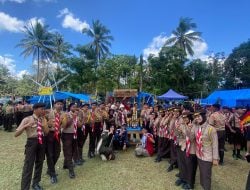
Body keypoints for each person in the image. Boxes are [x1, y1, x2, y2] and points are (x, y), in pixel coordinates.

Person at [15, 103, 49, 190]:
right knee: (28, 165)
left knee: (39, 162)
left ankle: (36, 183)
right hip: (32, 143)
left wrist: (45, 125)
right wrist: (26, 125)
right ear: (35, 109)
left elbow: (46, 133)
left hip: (41, 141)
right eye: (41, 109)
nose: (43, 110)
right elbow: (16, 134)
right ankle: (25, 187)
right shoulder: (27, 119)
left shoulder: (43, 119)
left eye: (43, 109)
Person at [191, 110, 219, 190]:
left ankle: (206, 188)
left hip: (207, 156)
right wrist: (192, 125)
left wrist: (215, 158)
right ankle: (203, 186)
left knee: (206, 175)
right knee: (202, 174)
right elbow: (191, 138)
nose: (197, 118)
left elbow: (215, 144)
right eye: (196, 117)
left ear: (204, 116)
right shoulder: (196, 127)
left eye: (199, 116)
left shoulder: (211, 129)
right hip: (199, 154)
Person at [45, 99, 65, 184]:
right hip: (49, 134)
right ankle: (52, 174)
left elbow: (64, 125)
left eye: (61, 104)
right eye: (58, 104)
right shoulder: (48, 113)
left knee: (57, 153)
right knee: (50, 154)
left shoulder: (63, 114)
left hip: (58, 134)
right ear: (54, 105)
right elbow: (42, 121)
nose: (60, 105)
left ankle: (50, 169)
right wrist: (47, 124)